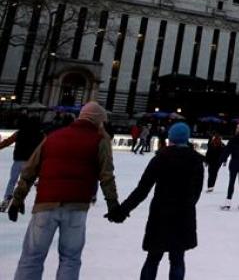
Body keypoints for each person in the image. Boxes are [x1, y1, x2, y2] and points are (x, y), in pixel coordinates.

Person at [7, 102, 120, 280]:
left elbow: (29, 170)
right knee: (70, 259)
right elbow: (106, 176)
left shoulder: (53, 137)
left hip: (46, 204)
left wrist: (17, 199)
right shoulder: (100, 140)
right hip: (76, 207)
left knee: (32, 257)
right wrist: (113, 205)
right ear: (98, 121)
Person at [108, 122, 203, 280]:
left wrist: (122, 210)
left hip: (161, 215)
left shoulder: (161, 158)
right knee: (177, 260)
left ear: (170, 138)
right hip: (183, 216)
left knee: (153, 258)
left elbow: (142, 190)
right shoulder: (195, 161)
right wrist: (184, 206)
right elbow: (196, 193)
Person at [0, 113, 43, 212]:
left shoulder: (20, 132)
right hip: (31, 162)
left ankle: (7, 199)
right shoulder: (41, 135)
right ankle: (20, 200)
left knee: (12, 180)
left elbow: (7, 142)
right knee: (25, 182)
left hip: (18, 160)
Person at [221, 123, 239, 210]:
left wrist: (223, 159)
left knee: (231, 182)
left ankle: (228, 203)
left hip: (234, 163)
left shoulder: (233, 139)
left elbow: (227, 151)